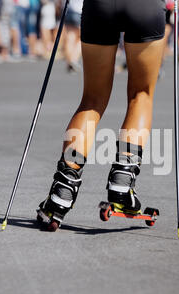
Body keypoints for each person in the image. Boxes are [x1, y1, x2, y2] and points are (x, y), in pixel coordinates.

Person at [37, 0, 166, 231]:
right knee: (141, 95)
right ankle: (122, 182)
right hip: (145, 6)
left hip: (100, 5)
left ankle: (63, 188)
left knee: (91, 101)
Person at [59, 0, 82, 72]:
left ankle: (69, 61)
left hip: (69, 10)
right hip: (80, 11)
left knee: (70, 37)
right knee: (82, 38)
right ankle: (73, 59)